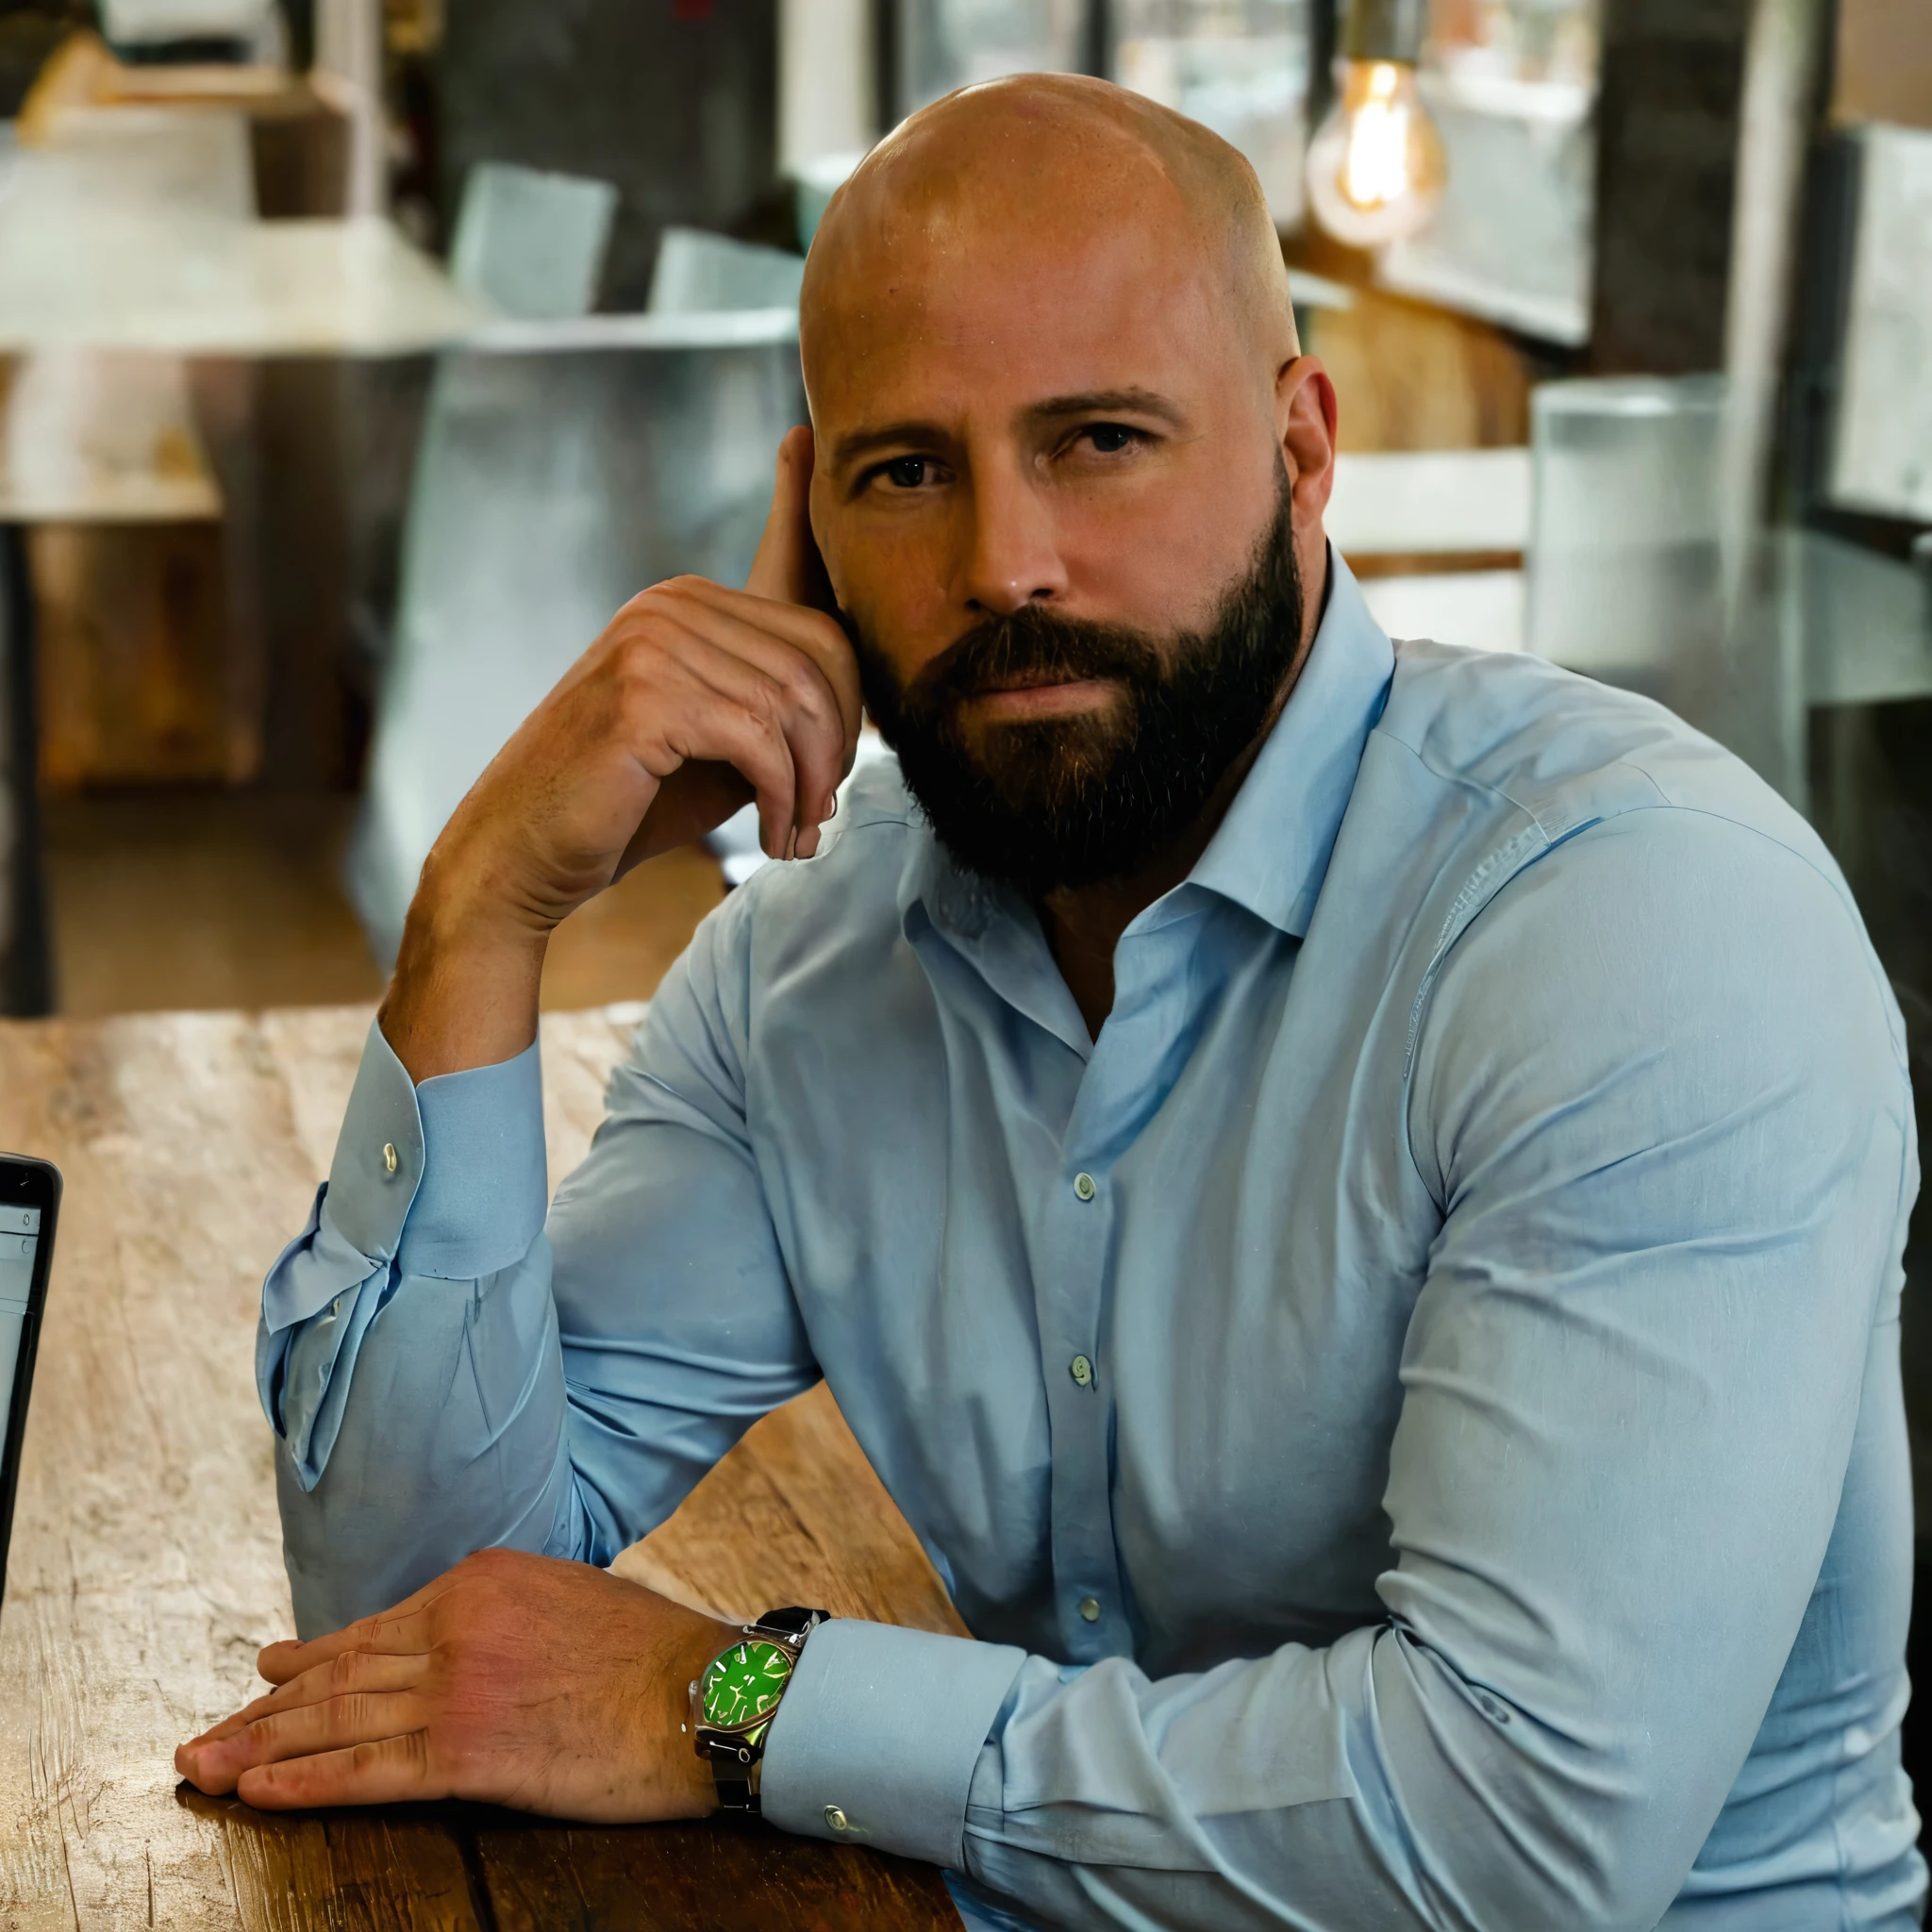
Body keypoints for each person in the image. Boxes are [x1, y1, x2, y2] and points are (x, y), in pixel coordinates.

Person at [175, 74, 1922, 1930]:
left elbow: (1514, 1833)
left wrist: (725, 1700)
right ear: (809, 518)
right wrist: (482, 909)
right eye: (908, 469)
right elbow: (412, 1633)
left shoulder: (1631, 920)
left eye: (1099, 440)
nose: (1004, 562)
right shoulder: (814, 970)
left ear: (1303, 448)